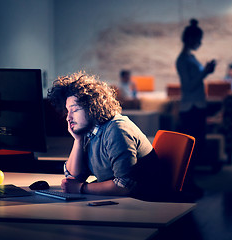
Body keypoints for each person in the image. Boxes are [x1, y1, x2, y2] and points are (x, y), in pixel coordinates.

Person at [47, 71, 168, 201]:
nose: (68, 118)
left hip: (146, 205)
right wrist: (78, 140)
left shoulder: (117, 129)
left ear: (92, 107)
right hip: (122, 202)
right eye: (68, 111)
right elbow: (73, 178)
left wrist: (81, 188)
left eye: (74, 110)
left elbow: (124, 185)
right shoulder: (89, 132)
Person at [176, 19, 216, 197]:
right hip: (191, 108)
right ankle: (187, 184)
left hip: (196, 106)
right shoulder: (183, 59)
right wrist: (205, 72)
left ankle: (189, 183)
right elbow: (188, 86)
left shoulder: (190, 58)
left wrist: (205, 72)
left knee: (197, 147)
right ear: (191, 39)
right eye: (199, 39)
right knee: (192, 148)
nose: (200, 42)